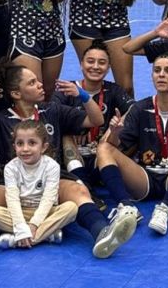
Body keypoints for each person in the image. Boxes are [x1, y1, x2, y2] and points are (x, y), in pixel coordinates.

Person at [0, 62, 136, 271]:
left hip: (52, 179)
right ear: (16, 93)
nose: (40, 85)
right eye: (33, 83)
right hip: (13, 182)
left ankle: (103, 234)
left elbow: (95, 119)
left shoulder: (53, 110)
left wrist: (82, 95)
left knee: (79, 192)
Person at [96, 53, 168, 236]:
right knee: (103, 147)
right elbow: (114, 147)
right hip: (144, 179)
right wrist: (115, 135)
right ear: (152, 76)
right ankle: (127, 207)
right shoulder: (140, 108)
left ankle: (165, 208)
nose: (161, 75)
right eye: (157, 70)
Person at [53, 40, 135, 189]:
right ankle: (84, 185)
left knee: (128, 131)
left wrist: (112, 130)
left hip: (101, 155)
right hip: (72, 158)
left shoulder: (114, 90)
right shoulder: (66, 89)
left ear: (108, 68)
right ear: (81, 64)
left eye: (102, 63)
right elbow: (50, 115)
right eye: (90, 61)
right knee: (65, 136)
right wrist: (73, 127)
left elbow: (136, 109)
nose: (96, 67)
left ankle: (100, 180)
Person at [0, 120, 79, 248]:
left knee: (71, 208)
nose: (25, 149)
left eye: (32, 143)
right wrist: (21, 225)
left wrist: (34, 225)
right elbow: (12, 199)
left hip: (46, 213)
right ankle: (46, 235)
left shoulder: (52, 166)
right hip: (21, 212)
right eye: (20, 143)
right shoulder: (11, 168)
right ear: (14, 146)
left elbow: (48, 198)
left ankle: (18, 240)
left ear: (43, 147)